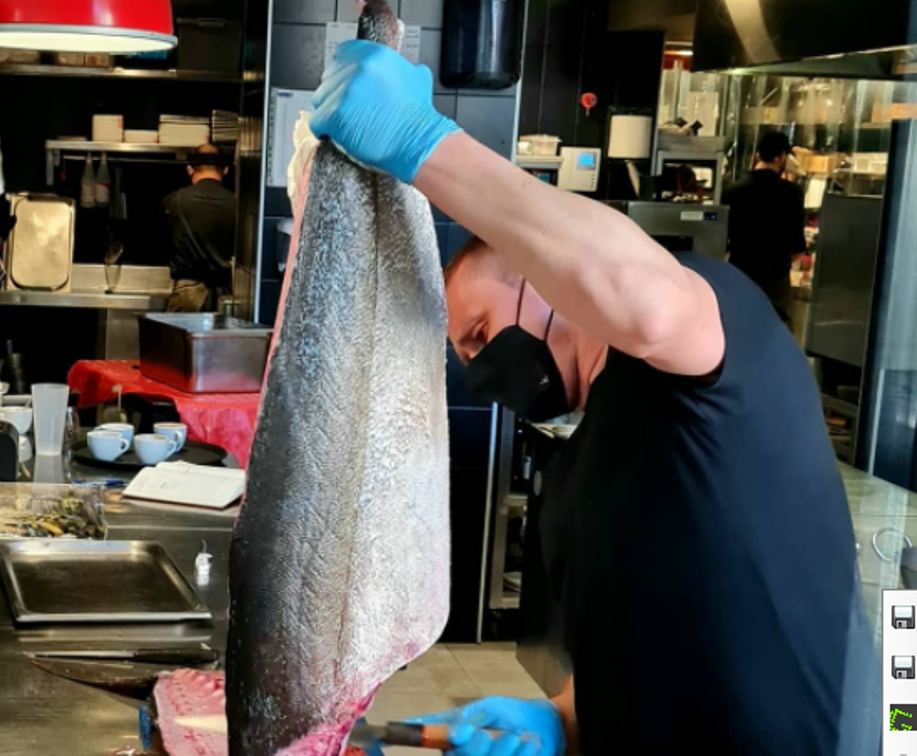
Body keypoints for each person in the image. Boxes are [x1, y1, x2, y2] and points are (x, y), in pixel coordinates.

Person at [311, 41, 879, 755]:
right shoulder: (585, 463)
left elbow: (643, 300)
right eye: (466, 357)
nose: (486, 370)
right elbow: (636, 637)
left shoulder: (709, 342)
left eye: (482, 332)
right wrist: (563, 716)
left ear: (540, 273)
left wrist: (425, 147)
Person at [724, 131, 807, 324]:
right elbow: (797, 246)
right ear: (782, 157)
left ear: (757, 156)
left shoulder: (732, 191)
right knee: (774, 334)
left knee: (738, 328)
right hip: (775, 281)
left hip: (739, 274)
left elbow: (722, 241)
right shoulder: (792, 193)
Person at [162, 143, 235, 312]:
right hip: (226, 296)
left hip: (187, 295)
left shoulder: (174, 201)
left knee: (180, 339)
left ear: (190, 169)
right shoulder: (239, 204)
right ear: (225, 170)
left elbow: (162, 243)